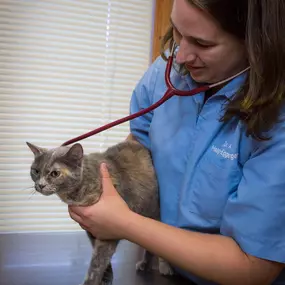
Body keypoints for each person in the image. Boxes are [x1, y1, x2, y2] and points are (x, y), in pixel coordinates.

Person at [68, 0, 285, 284]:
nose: (180, 56)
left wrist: (124, 223)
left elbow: (253, 266)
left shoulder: (277, 122)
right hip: (164, 271)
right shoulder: (165, 72)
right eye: (178, 31)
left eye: (202, 43)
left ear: (256, 45)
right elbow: (139, 148)